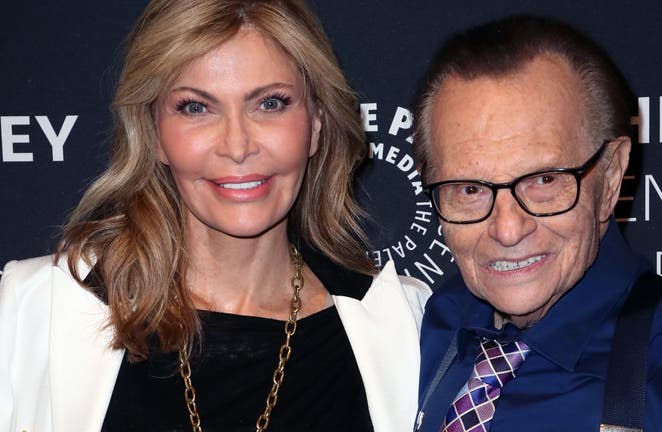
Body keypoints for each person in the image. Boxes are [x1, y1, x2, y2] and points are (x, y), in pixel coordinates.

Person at [0, 1, 430, 431]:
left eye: (271, 103)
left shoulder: (406, 325)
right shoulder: (34, 310)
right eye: (196, 108)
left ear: (316, 123)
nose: (238, 146)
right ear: (153, 134)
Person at [412, 15, 662, 432]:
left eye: (545, 180)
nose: (507, 230)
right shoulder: (443, 320)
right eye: (469, 189)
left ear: (612, 175)